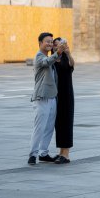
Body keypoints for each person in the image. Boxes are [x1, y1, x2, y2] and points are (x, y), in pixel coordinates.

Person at [27, 32, 65, 165]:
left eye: (51, 42)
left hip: (52, 98)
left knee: (49, 127)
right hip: (42, 97)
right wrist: (57, 54)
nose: (49, 44)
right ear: (40, 43)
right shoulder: (39, 56)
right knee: (39, 127)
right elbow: (45, 62)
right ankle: (33, 154)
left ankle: (43, 153)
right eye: (47, 41)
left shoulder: (52, 58)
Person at [52, 37, 75, 164]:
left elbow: (72, 65)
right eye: (55, 45)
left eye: (59, 45)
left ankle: (66, 154)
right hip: (56, 95)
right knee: (59, 124)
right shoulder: (53, 58)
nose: (56, 47)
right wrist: (58, 53)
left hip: (67, 95)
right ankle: (61, 152)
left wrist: (68, 52)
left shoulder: (66, 57)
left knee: (66, 123)